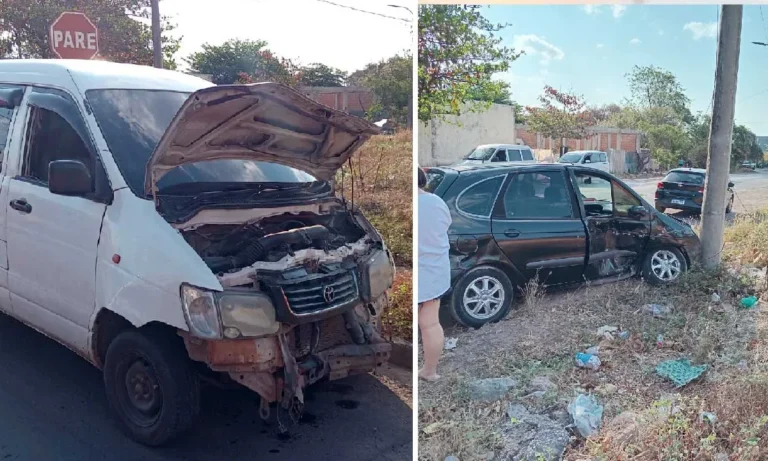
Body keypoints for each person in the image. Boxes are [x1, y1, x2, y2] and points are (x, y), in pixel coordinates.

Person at [417, 166, 451, 382]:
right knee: (430, 324)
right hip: (433, 272)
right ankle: (430, 372)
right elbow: (445, 226)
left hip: (419, 270)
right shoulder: (437, 202)